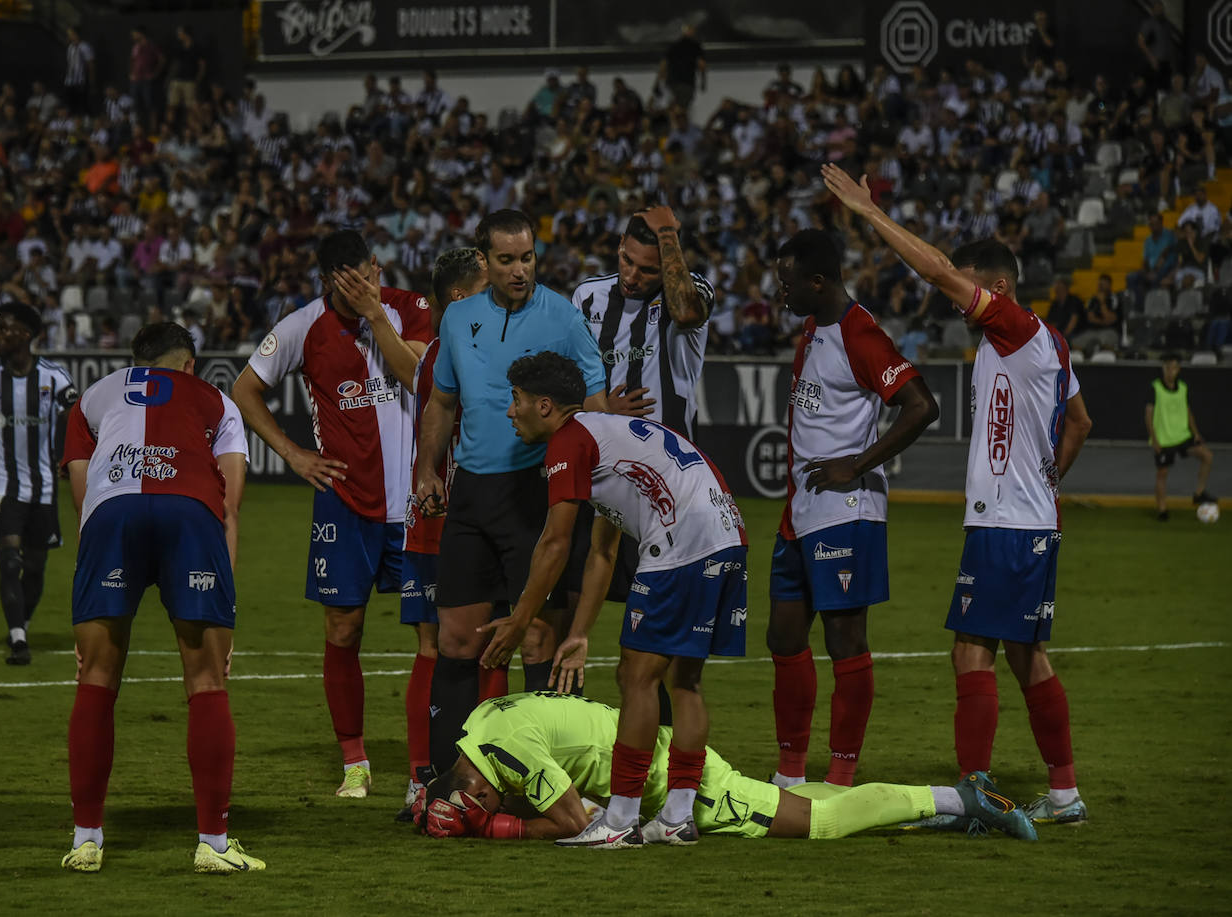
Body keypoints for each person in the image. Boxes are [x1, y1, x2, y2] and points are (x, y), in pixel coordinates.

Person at [823, 162, 1095, 827]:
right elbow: (1081, 420)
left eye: (971, 290)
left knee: (970, 652)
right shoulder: (1050, 346)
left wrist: (870, 215)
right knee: (1027, 654)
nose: (956, 298)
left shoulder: (1018, 329)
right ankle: (1063, 793)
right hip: (1027, 520)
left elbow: (939, 269)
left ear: (998, 288)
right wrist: (1047, 477)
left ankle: (975, 792)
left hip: (1005, 526)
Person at [473, 350, 748, 847]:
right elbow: (603, 546)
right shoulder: (604, 435)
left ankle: (619, 821)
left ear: (544, 405)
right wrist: (578, 633)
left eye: (515, 401)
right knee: (684, 680)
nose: (509, 411)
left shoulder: (568, 441)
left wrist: (519, 620)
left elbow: (556, 543)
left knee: (636, 676)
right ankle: (677, 816)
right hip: (727, 533)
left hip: (682, 541)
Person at [231, 230, 430, 798]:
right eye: (346, 282)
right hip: (346, 504)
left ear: (376, 264)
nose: (360, 288)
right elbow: (244, 390)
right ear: (325, 280)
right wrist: (293, 453)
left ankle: (425, 768)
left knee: (432, 635)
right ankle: (354, 761)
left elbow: (418, 377)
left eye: (366, 275)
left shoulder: (412, 309)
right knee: (343, 629)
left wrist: (376, 314)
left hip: (418, 503)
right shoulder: (301, 327)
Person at [59, 322, 262, 874]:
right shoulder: (217, 401)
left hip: (112, 517)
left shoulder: (92, 397)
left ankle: (86, 841)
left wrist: (89, 601)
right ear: (189, 365)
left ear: (135, 360)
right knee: (206, 677)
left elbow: (85, 502)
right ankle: (213, 846)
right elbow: (230, 509)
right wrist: (225, 607)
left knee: (96, 675)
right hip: (188, 513)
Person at [413, 209, 607, 775]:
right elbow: (442, 402)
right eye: (506, 260)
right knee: (455, 639)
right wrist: (427, 470)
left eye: (527, 258)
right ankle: (446, 784)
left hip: (536, 492)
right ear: (484, 261)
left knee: (539, 640)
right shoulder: (457, 318)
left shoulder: (564, 317)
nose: (519, 270)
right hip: (471, 494)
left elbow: (593, 404)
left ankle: (548, 780)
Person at [768, 229, 939, 790]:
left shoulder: (861, 334)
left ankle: (841, 776)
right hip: (801, 510)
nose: (781, 292)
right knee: (783, 638)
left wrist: (858, 464)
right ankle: (790, 773)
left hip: (846, 509)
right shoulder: (814, 330)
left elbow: (921, 407)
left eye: (789, 283)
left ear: (819, 282)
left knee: (845, 642)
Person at [414, 692, 1036, 843]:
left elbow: (577, 821)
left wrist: (504, 829)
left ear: (476, 791)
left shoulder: (502, 755)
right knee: (796, 802)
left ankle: (962, 798)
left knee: (819, 822)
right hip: (653, 760)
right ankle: (941, 812)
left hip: (682, 784)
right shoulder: (477, 725)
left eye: (482, 808)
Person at [562, 206, 713, 628]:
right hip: (597, 477)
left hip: (666, 487)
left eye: (647, 270)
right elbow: (565, 385)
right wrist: (601, 408)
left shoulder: (690, 292)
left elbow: (685, 312)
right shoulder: (587, 297)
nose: (631, 276)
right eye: (626, 260)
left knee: (657, 636)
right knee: (566, 613)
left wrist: (668, 232)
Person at [398, 247, 491, 817]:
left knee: (442, 648)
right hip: (452, 521)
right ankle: (434, 778)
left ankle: (429, 778)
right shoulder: (457, 349)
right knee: (462, 649)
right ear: (461, 298)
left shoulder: (437, 349)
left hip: (441, 520)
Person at [0, 302, 78, 665]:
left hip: (43, 488)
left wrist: (67, 461)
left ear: (25, 335)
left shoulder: (56, 379)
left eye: (4, 329)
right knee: (10, 561)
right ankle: (18, 639)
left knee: (36, 566)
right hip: (2, 486)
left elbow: (75, 422)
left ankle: (21, 623)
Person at [1146, 353, 1216, 520]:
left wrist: (1196, 433)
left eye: (1174, 368)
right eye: (1167, 367)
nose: (1170, 371)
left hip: (1182, 436)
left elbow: (1187, 411)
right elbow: (1148, 415)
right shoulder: (1155, 387)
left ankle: (1199, 493)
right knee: (1162, 474)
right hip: (1164, 439)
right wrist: (1154, 440)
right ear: (1163, 369)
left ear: (1178, 369)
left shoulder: (1183, 387)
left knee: (1207, 456)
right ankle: (1162, 510)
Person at [658, 24, 706, 111]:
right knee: (682, 109)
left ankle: (673, 122)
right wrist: (703, 81)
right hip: (686, 83)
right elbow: (702, 65)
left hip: (671, 82)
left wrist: (658, 82)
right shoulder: (695, 47)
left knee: (671, 107)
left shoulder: (673, 46)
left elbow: (663, 65)